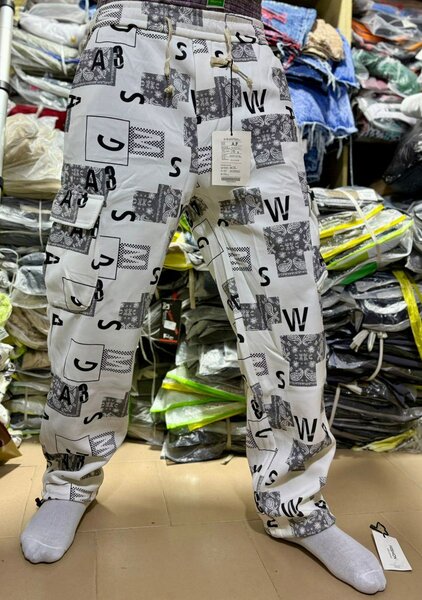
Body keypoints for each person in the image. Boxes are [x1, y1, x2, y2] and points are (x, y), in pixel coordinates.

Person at [21, 0, 386, 593]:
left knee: (288, 298)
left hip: (246, 57)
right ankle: (69, 479)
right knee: (97, 291)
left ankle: (296, 501)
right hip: (132, 45)